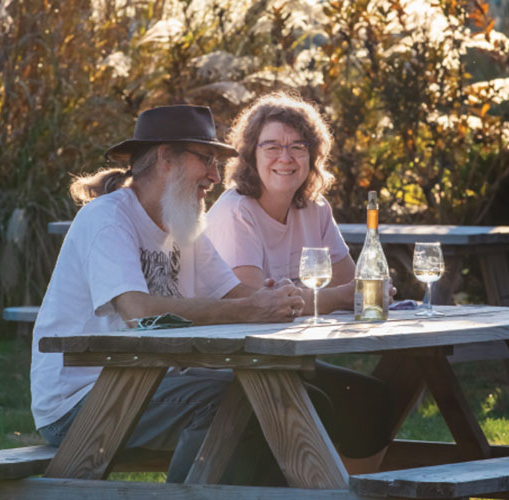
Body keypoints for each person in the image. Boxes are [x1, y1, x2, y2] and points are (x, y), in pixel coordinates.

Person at [30, 104, 305, 483]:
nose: (214, 175)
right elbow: (138, 311)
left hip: (149, 384)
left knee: (283, 395)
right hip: (81, 403)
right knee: (237, 401)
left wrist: (274, 298)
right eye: (206, 160)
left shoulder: (184, 223)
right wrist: (251, 307)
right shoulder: (107, 219)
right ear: (165, 158)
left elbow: (235, 294)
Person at [205, 92, 395, 473]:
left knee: (372, 399)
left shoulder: (315, 207)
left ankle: (350, 492)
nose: (285, 157)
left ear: (313, 155)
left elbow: (356, 284)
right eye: (272, 146)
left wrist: (346, 294)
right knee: (320, 406)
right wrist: (340, 297)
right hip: (232, 362)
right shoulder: (235, 210)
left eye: (297, 146)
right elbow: (259, 305)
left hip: (285, 359)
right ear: (250, 154)